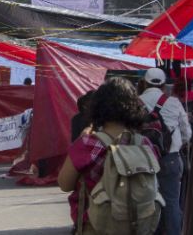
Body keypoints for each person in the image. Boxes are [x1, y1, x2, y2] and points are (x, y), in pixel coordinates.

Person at [58, 77, 155, 234]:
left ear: (97, 107)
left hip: (96, 225)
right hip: (136, 226)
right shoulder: (144, 144)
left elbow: (65, 184)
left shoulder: (88, 144)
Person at [139, 67, 192, 235]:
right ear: (163, 85)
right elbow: (187, 133)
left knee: (146, 203)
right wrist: (177, 144)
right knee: (171, 204)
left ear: (144, 83)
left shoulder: (135, 102)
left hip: (142, 160)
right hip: (170, 158)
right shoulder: (174, 102)